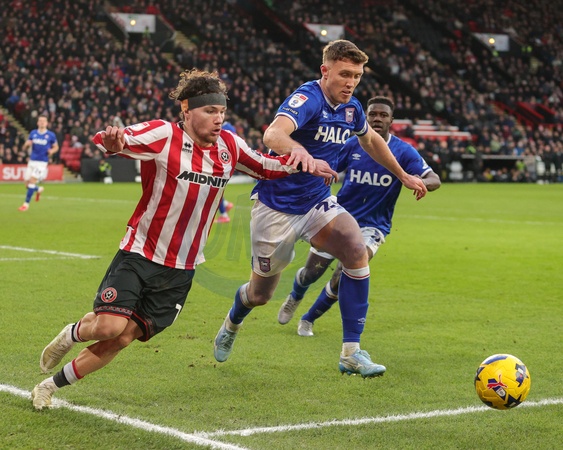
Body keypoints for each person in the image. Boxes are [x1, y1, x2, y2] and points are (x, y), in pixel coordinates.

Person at [31, 69, 337, 411]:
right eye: (210, 111)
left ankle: (48, 386)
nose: (219, 119)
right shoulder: (164, 135)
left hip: (182, 268)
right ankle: (71, 334)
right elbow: (112, 139)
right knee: (109, 326)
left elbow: (266, 166)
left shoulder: (230, 145)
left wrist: (306, 163)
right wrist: (113, 143)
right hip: (141, 253)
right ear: (186, 110)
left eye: (222, 112)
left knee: (124, 337)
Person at [213, 40, 427, 378]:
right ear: (325, 71)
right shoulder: (308, 98)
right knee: (260, 294)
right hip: (277, 208)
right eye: (344, 74)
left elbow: (371, 140)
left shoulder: (352, 108)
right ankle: (232, 322)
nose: (351, 83)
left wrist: (403, 174)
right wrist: (302, 153)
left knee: (356, 251)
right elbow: (273, 134)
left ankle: (351, 353)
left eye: (356, 76)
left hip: (317, 202)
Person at [278, 96, 441, 337]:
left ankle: (308, 318)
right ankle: (295, 296)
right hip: (339, 218)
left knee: (346, 273)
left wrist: (420, 182)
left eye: (383, 115)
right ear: (365, 116)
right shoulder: (353, 144)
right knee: (311, 273)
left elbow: (434, 179)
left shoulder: (403, 152)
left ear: (391, 120)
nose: (377, 119)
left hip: (373, 226)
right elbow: (330, 166)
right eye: (372, 114)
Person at [18, 114, 59, 211]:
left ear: (47, 123)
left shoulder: (51, 135)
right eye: (40, 121)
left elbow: (56, 147)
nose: (42, 122)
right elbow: (25, 147)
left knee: (32, 181)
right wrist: (27, 145)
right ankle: (38, 189)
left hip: (42, 162)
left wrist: (52, 151)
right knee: (27, 184)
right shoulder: (33, 133)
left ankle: (26, 205)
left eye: (44, 121)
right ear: (37, 123)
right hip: (32, 161)